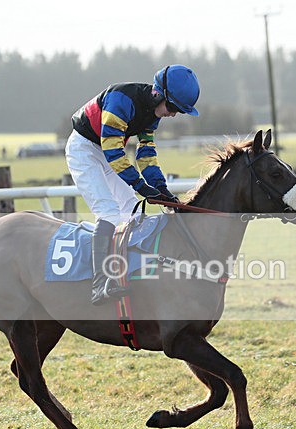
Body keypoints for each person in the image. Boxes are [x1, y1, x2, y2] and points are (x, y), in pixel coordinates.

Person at [65, 64, 200, 305]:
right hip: (84, 149)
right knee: (108, 211)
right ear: (159, 94)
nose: (173, 114)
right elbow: (113, 152)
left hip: (107, 150)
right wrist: (139, 184)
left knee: (131, 209)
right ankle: (99, 284)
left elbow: (146, 155)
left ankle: (126, 272)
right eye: (172, 108)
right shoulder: (121, 100)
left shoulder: (152, 115)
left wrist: (161, 189)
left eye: (178, 111)